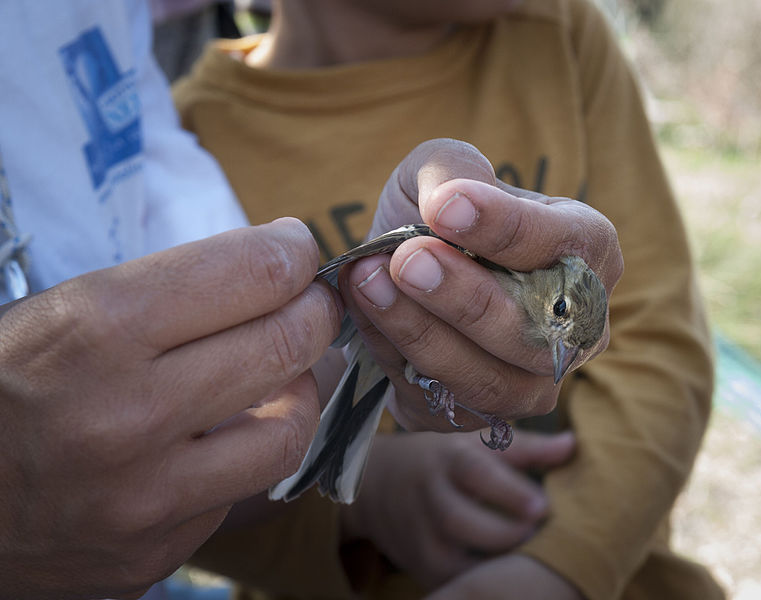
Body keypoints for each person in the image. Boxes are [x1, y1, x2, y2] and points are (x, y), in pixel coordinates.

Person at [0, 3, 621, 599]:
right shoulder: (209, 108)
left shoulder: (114, 38)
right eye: (562, 319)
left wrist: (421, 379)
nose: (558, 344)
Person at [173, 0, 722, 599]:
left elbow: (659, 344)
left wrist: (566, 563)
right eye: (562, 319)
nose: (561, 350)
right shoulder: (177, 143)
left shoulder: (559, 31)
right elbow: (163, 480)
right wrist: (370, 498)